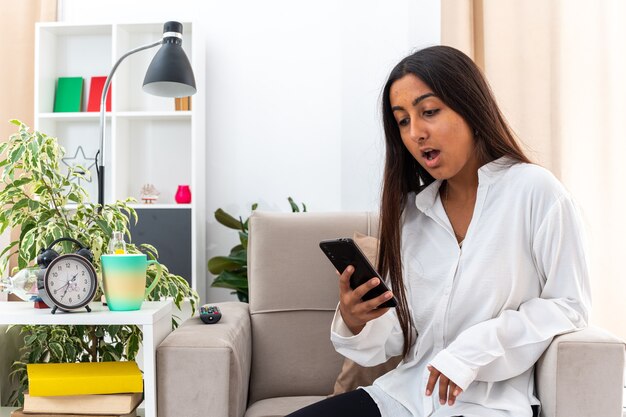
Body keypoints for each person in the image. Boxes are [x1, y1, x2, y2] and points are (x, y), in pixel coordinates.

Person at [286, 45, 591, 417]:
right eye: (402, 121)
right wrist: (356, 319)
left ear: (470, 108)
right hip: (402, 397)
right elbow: (399, 335)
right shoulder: (410, 214)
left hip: (489, 405)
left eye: (429, 112)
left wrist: (473, 349)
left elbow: (569, 305)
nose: (416, 132)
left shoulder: (535, 192)